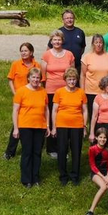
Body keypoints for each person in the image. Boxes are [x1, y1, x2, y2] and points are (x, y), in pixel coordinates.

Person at [12, 68, 50, 187]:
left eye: (38, 77)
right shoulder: (21, 91)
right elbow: (15, 110)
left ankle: (35, 177)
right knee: (27, 152)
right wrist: (16, 128)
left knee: (37, 152)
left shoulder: (43, 91)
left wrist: (47, 126)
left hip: (40, 126)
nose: (35, 80)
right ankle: (26, 179)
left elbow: (46, 110)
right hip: (25, 126)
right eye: (33, 77)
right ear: (28, 78)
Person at [4, 42, 41, 160]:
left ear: (31, 52)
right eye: (22, 51)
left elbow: (40, 81)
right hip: (20, 98)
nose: (23, 53)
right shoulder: (15, 64)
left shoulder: (37, 65)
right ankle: (10, 151)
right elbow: (10, 80)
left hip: (33, 99)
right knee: (17, 123)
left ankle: (31, 147)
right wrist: (15, 93)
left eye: (26, 51)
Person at [51, 67, 87, 186]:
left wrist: (84, 126)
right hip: (62, 124)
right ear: (65, 80)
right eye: (69, 79)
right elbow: (54, 110)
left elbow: (85, 110)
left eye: (74, 79)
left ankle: (75, 175)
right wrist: (54, 127)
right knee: (62, 150)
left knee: (76, 151)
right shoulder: (59, 92)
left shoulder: (81, 92)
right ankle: (63, 175)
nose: (72, 82)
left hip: (77, 125)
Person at [41, 29, 75, 158]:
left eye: (59, 39)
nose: (57, 42)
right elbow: (43, 75)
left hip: (66, 90)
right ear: (51, 41)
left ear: (62, 41)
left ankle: (64, 147)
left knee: (64, 118)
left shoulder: (69, 54)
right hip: (51, 90)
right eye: (54, 40)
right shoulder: (47, 55)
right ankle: (51, 148)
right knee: (52, 118)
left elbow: (72, 73)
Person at [80, 34, 108, 122]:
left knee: (106, 115)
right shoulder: (87, 57)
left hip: (106, 92)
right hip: (91, 91)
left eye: (100, 42)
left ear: (103, 44)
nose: (99, 45)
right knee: (93, 116)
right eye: (96, 42)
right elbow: (82, 75)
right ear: (93, 44)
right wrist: (82, 91)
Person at [48, 9, 86, 77]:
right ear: (63, 20)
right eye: (67, 18)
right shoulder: (58, 32)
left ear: (74, 19)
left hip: (77, 66)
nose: (69, 20)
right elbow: (49, 49)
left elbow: (82, 48)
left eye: (71, 18)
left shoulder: (80, 32)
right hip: (61, 67)